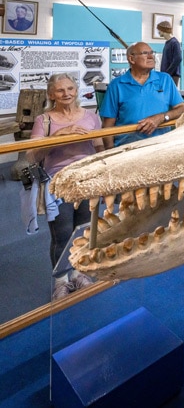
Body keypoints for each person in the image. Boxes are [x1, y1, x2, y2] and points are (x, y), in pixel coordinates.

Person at [25, 73, 104, 300]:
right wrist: (58, 136)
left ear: (76, 90)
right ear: (52, 94)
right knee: (62, 234)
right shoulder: (45, 120)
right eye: (60, 90)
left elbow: (99, 147)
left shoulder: (90, 117)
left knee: (84, 230)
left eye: (70, 88)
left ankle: (79, 273)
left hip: (88, 180)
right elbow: (32, 156)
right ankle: (61, 280)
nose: (66, 94)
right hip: (59, 183)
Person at [100, 41, 184, 149]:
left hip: (161, 147)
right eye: (145, 53)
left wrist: (161, 117)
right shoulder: (116, 85)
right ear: (131, 59)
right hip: (127, 149)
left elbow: (182, 109)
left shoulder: (165, 79)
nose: (151, 56)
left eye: (152, 53)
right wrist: (110, 153)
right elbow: (108, 124)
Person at [156, 21, 182, 85]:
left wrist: (168, 72)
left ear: (163, 30)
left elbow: (178, 58)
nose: (158, 32)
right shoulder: (168, 43)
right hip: (167, 75)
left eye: (159, 30)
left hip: (172, 75)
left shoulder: (174, 43)